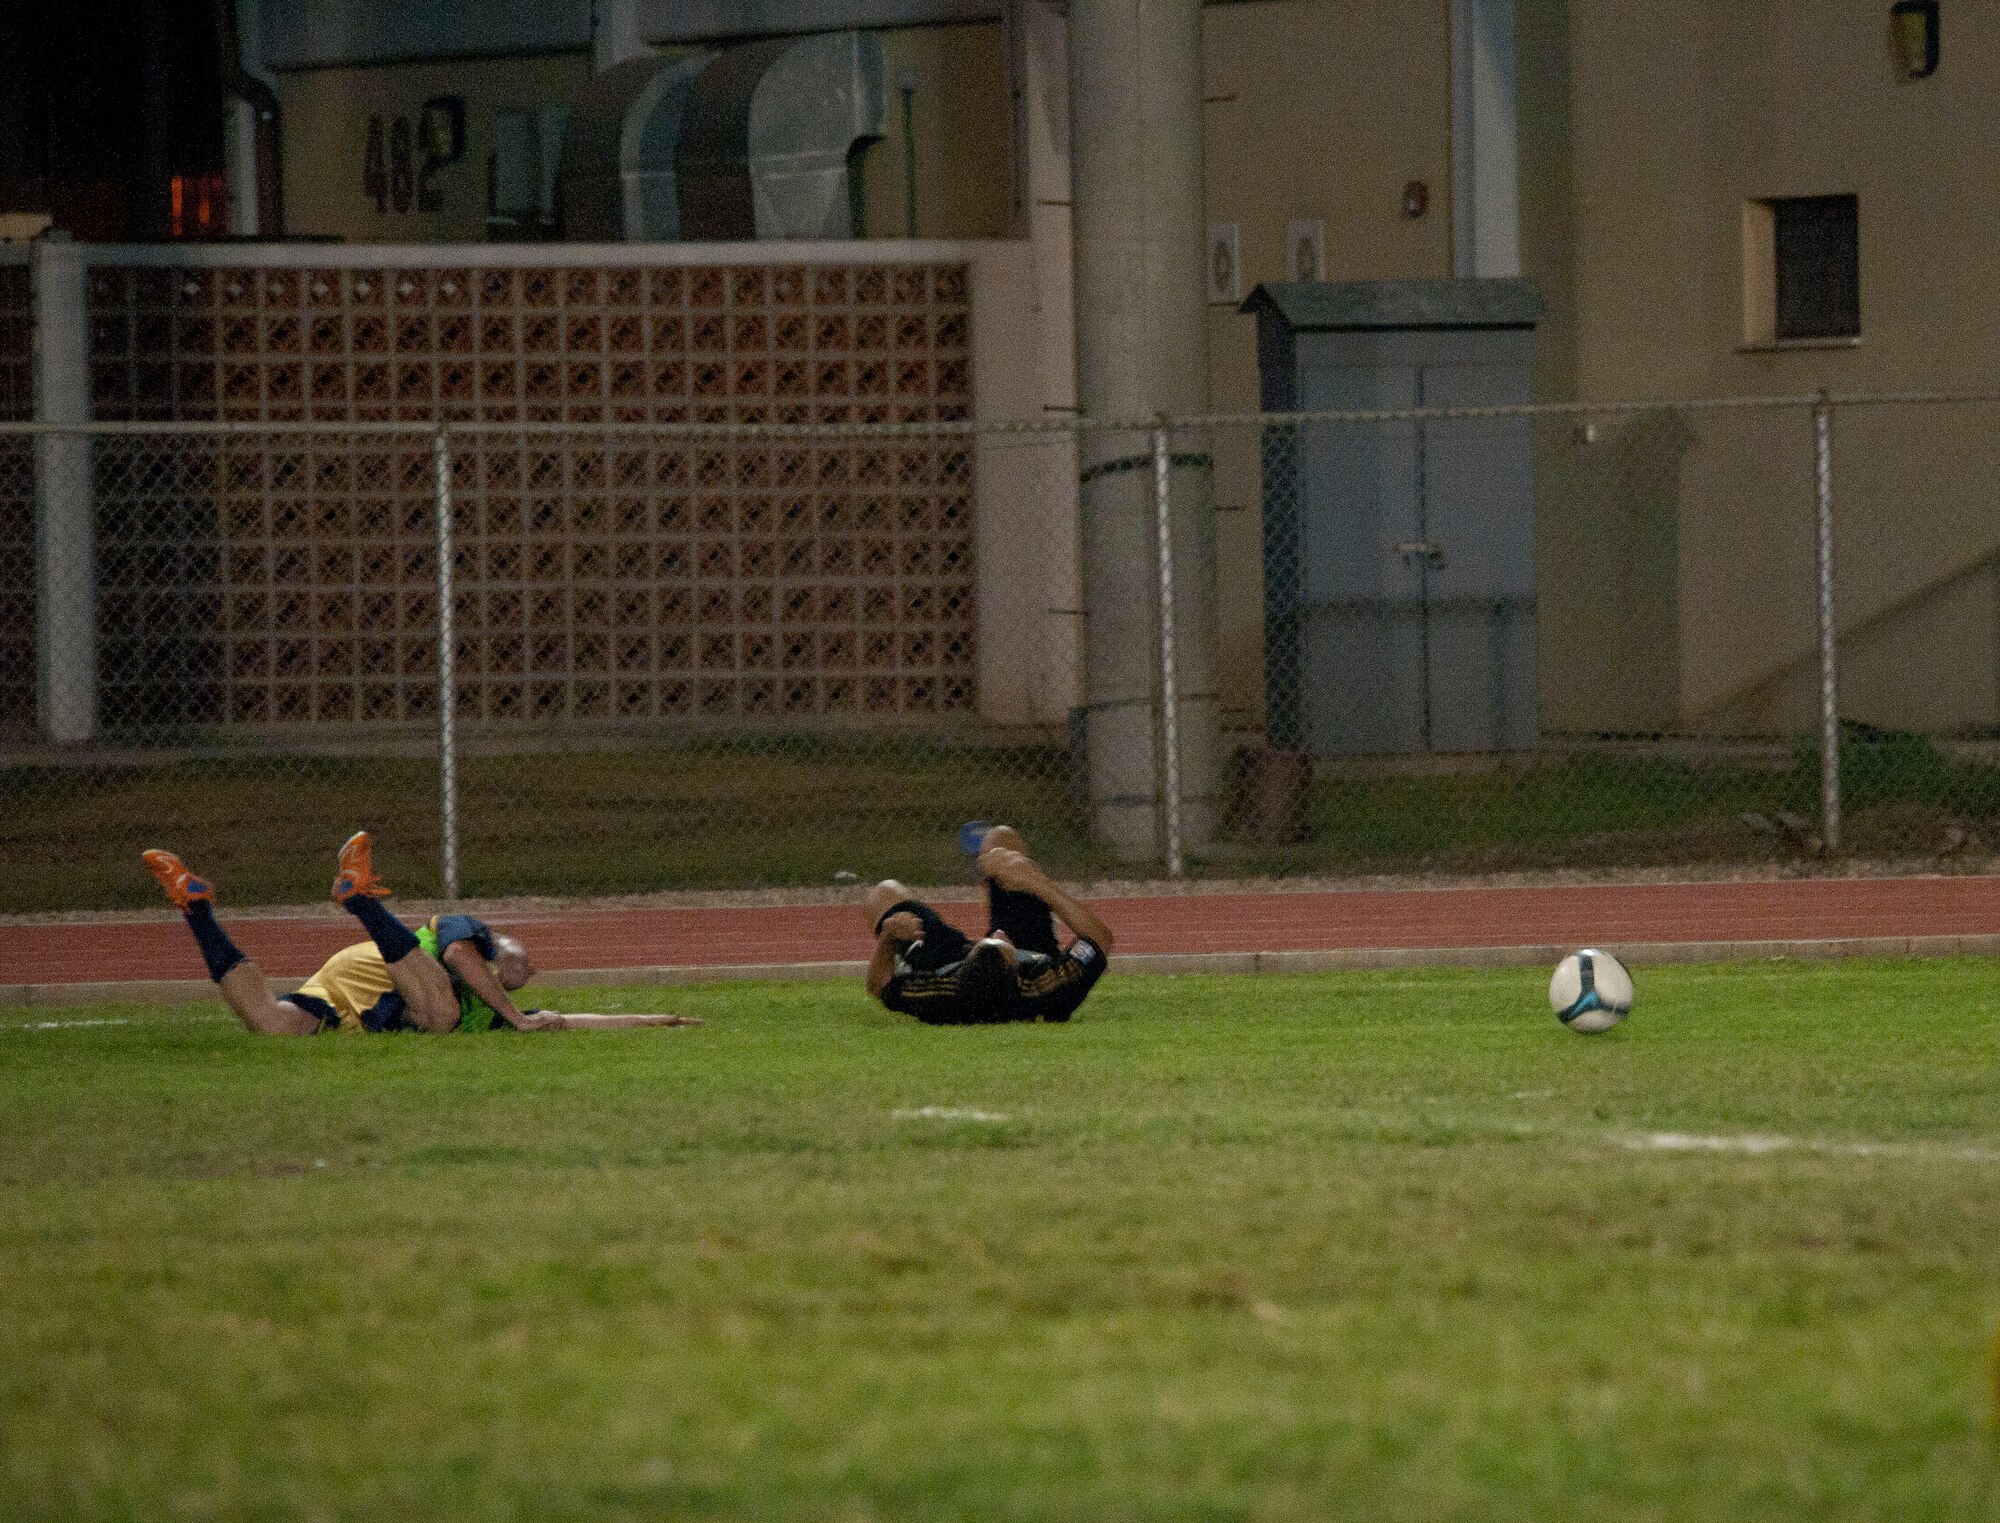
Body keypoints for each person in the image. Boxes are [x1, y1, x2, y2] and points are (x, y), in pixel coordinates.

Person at [141, 831, 699, 1035]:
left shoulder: (495, 1008)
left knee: (267, 1023)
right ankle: (360, 899)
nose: (528, 968)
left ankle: (196, 908)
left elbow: (563, 1021)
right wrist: (515, 1017)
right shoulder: (472, 935)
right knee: (443, 1016)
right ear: (500, 945)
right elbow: (457, 956)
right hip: (378, 970)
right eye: (519, 958)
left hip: (350, 996)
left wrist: (659, 1020)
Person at [863, 825, 1114, 1024]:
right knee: (1001, 841)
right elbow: (1100, 938)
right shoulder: (1047, 992)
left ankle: (992, 889)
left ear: (968, 960)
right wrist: (1036, 883)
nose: (998, 932)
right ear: (1018, 975)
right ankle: (996, 885)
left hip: (948, 961)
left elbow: (878, 986)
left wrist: (889, 936)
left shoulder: (941, 995)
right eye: (1003, 941)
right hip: (1033, 952)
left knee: (884, 893)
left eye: (989, 940)